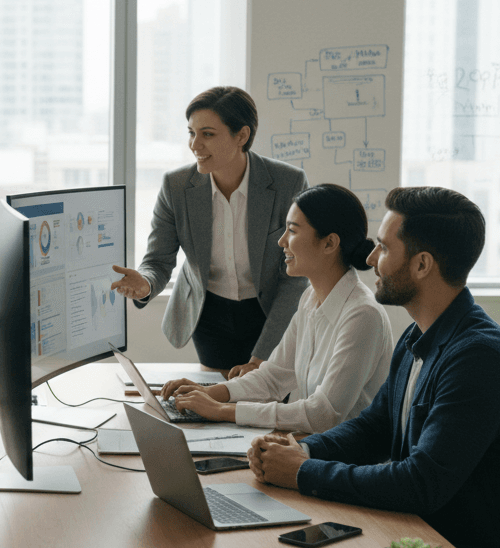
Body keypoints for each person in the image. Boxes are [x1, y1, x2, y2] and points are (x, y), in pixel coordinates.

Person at [246, 186, 500, 548]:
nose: (370, 259)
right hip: (421, 539)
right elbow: (375, 425)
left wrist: (304, 473)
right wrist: (305, 451)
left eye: (383, 248)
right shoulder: (419, 335)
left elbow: (420, 483)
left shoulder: (478, 358)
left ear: (422, 264)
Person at [159, 184, 393, 434]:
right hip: (307, 448)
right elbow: (272, 377)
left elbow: (323, 414)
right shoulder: (310, 298)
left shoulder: (362, 315)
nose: (282, 241)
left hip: (345, 465)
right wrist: (208, 392)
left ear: (329, 243)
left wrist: (221, 410)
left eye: (292, 231)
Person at [111, 86, 309, 376]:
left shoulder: (287, 182)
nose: (194, 145)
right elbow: (158, 260)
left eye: (208, 134)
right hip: (209, 311)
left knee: (268, 398)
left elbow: (295, 275)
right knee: (214, 401)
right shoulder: (176, 186)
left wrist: (260, 357)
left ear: (241, 135)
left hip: (269, 310)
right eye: (191, 133)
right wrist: (146, 284)